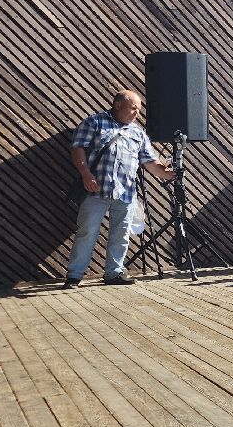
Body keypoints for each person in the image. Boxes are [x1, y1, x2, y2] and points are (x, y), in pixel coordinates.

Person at [64, 90, 173, 288]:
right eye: (133, 109)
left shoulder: (138, 133)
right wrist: (86, 174)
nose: (137, 114)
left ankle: (114, 273)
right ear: (118, 105)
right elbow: (77, 147)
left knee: (121, 233)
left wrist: (169, 174)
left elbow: (150, 162)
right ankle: (74, 275)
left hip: (126, 193)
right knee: (87, 231)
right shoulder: (94, 122)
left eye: (139, 110)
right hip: (95, 189)